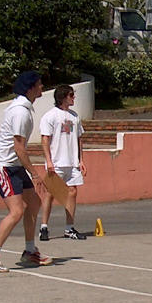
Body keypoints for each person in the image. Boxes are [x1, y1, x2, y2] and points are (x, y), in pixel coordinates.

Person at [0, 71, 54, 272]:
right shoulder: (20, 112)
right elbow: (19, 147)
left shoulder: (20, 108)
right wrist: (34, 173)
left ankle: (30, 251)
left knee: (34, 203)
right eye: (39, 84)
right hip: (3, 166)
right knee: (16, 211)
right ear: (30, 87)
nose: (42, 87)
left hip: (14, 165)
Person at [38, 85, 87, 241]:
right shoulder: (50, 116)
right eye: (71, 95)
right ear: (63, 97)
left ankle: (69, 228)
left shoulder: (74, 116)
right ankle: (44, 227)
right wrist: (49, 161)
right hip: (57, 163)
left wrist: (81, 160)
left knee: (72, 192)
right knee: (50, 194)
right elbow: (45, 140)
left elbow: (79, 139)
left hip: (72, 163)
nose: (74, 98)